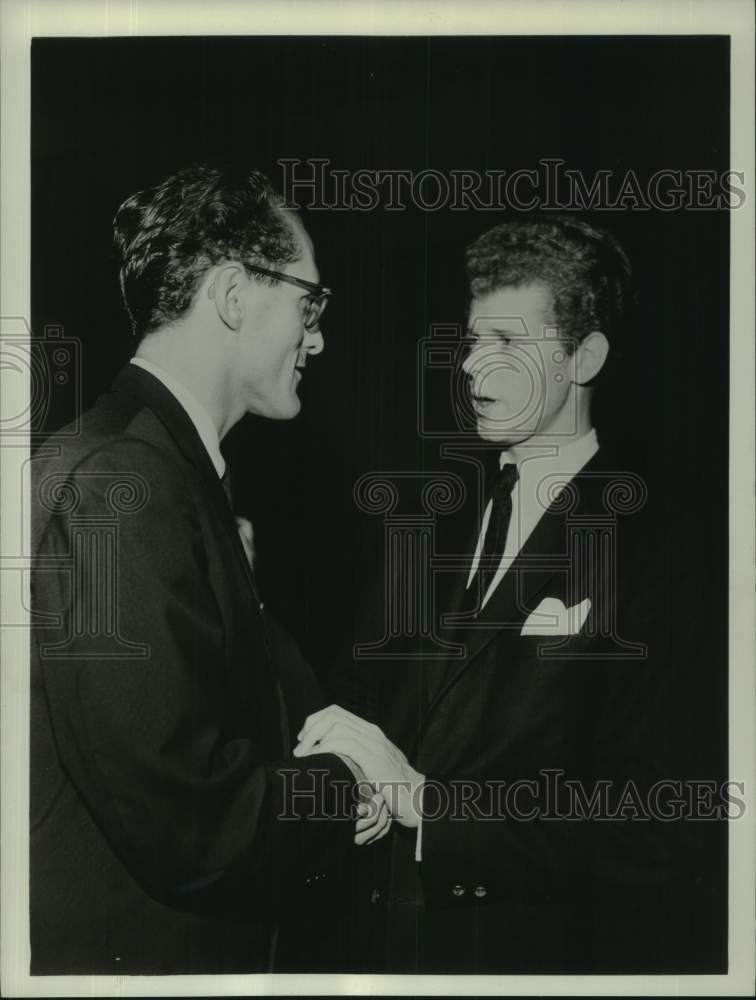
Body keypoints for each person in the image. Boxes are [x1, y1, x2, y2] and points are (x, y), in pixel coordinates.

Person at [295, 215, 727, 973]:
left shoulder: (664, 554)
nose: (469, 366)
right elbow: (358, 698)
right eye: (471, 341)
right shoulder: (427, 523)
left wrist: (434, 810)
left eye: (507, 344)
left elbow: (658, 826)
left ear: (584, 358)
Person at [29, 164, 389, 975]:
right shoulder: (122, 484)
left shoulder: (165, 473)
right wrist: (345, 785)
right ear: (233, 295)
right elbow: (189, 816)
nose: (320, 337)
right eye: (310, 303)